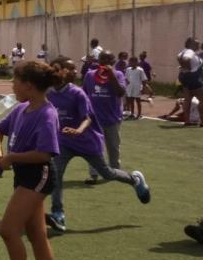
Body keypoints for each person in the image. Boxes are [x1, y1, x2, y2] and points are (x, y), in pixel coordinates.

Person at [44, 57, 150, 233]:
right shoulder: (49, 93)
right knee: (56, 176)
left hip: (86, 141)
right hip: (64, 142)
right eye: (70, 69)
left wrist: (79, 130)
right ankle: (57, 213)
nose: (75, 72)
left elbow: (88, 118)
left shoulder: (77, 93)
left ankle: (134, 180)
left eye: (74, 68)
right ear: (59, 71)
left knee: (107, 173)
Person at [0, 61, 62, 260]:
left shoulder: (47, 114)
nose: (12, 85)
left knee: (9, 231)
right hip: (23, 176)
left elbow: (44, 154)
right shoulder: (22, 109)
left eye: (15, 81)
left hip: (37, 176)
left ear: (29, 86)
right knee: (36, 235)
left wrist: (10, 158)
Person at [83, 53, 132, 185]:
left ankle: (115, 173)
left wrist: (112, 76)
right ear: (98, 61)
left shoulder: (119, 74)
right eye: (103, 59)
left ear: (114, 61)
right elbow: (85, 94)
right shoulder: (89, 75)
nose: (105, 61)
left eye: (109, 59)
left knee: (113, 148)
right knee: (94, 148)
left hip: (112, 118)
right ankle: (93, 174)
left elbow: (120, 92)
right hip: (94, 118)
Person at [176, 38, 203, 127]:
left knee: (187, 100)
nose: (198, 45)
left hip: (185, 78)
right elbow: (186, 58)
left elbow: (179, 57)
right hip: (193, 77)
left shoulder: (184, 51)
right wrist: (188, 68)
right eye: (196, 44)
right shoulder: (190, 51)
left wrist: (184, 68)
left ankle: (187, 121)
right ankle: (202, 121)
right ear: (190, 44)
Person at [124, 55, 147, 120]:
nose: (131, 63)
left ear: (137, 62)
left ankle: (139, 114)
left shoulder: (140, 70)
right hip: (130, 87)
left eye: (133, 62)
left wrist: (143, 88)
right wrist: (127, 83)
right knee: (131, 100)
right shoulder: (128, 69)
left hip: (137, 87)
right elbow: (126, 78)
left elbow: (144, 80)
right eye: (130, 62)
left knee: (138, 101)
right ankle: (132, 113)